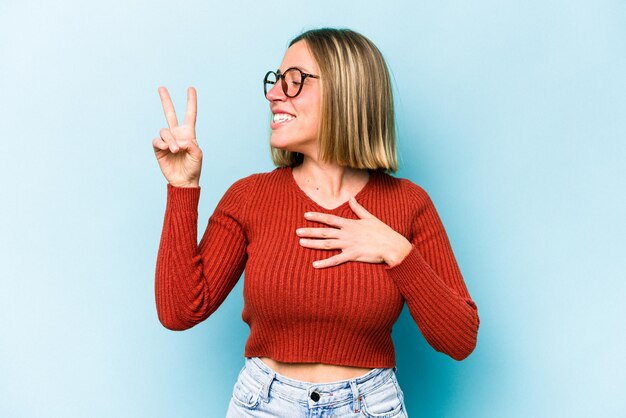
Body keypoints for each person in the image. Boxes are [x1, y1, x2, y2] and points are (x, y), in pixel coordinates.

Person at [152, 28, 479, 417]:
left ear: (347, 93)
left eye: (293, 82)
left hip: (369, 405)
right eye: (275, 82)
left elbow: (459, 339)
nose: (274, 95)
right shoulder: (250, 197)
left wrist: (395, 250)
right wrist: (183, 187)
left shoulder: (408, 205)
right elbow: (179, 311)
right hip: (263, 404)